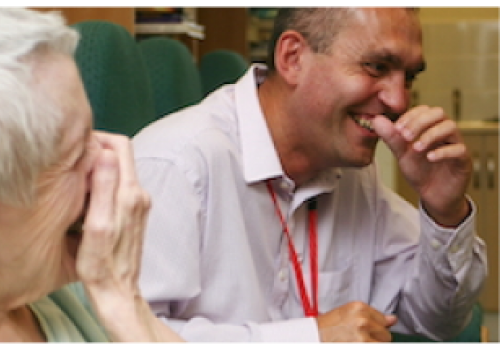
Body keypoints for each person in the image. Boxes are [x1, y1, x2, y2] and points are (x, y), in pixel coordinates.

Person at [133, 8, 487, 342]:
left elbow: (439, 321)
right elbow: (124, 335)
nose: (398, 101)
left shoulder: (351, 171)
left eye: (408, 77)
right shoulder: (175, 163)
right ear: (293, 58)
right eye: (377, 67)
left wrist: (445, 212)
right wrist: (309, 338)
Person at [0, 8, 183, 342]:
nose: (111, 155)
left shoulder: (36, 278)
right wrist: (124, 307)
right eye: (79, 153)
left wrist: (126, 302)